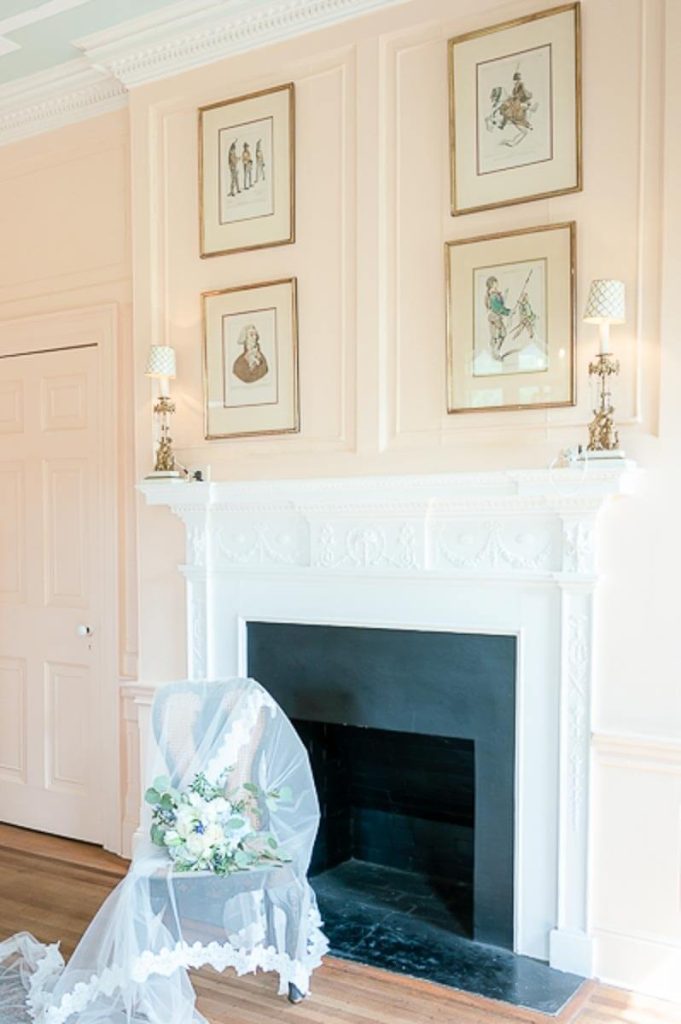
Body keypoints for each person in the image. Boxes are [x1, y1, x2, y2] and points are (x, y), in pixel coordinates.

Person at [484, 276, 512, 359]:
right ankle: (496, 353)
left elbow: (500, 305)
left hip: (495, 316)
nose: (497, 284)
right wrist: (508, 312)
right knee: (500, 334)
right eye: (496, 283)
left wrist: (504, 295)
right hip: (495, 317)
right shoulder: (493, 295)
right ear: (492, 284)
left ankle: (496, 352)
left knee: (499, 335)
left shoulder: (495, 294)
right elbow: (497, 308)